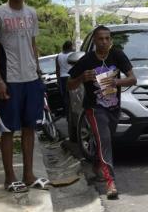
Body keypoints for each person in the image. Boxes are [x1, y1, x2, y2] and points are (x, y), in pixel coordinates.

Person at [0, 0, 48, 193]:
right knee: (8, 129)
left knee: (30, 127)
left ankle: (28, 174)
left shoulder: (31, 13)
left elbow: (33, 43)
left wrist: (38, 70)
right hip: (9, 79)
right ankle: (10, 177)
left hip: (31, 78)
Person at [68, 26, 136, 199]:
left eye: (107, 38)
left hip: (114, 108)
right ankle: (110, 183)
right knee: (104, 140)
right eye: (100, 39)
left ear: (110, 40)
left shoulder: (117, 55)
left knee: (104, 140)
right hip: (94, 108)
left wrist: (115, 82)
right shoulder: (87, 60)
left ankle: (97, 165)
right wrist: (82, 78)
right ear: (95, 41)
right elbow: (69, 84)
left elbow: (132, 79)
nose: (104, 42)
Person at [55, 40, 74, 121]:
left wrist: (58, 80)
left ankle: (68, 114)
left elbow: (57, 69)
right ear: (70, 47)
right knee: (73, 97)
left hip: (62, 78)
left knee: (65, 98)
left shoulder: (58, 56)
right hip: (71, 77)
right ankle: (73, 114)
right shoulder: (72, 55)